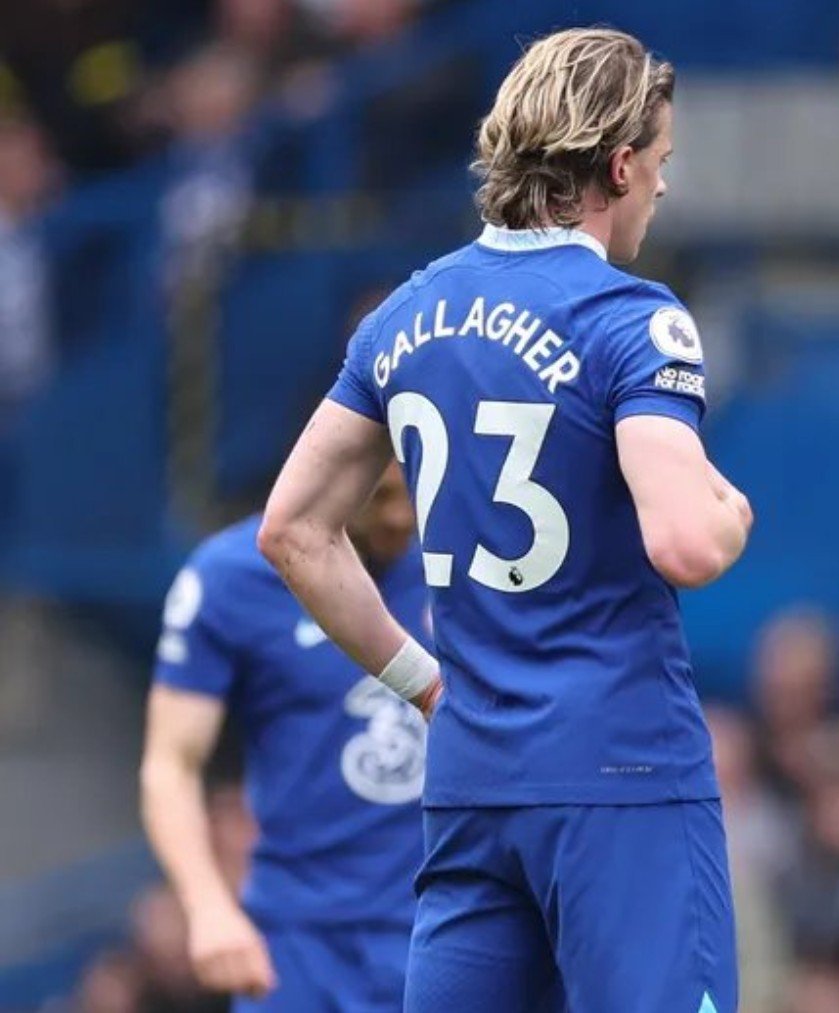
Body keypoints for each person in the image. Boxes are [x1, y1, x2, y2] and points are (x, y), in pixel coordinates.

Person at [256, 27, 753, 1013]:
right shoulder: (631, 318)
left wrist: (426, 684)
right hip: (621, 775)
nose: (661, 188)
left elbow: (292, 529)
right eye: (660, 164)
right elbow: (687, 542)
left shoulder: (405, 313)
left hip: (472, 775)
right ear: (619, 166)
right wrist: (733, 504)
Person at [140, 463, 427, 1010]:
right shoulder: (231, 578)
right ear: (326, 475)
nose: (400, 516)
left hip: (444, 922)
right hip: (297, 940)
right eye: (380, 495)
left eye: (412, 492)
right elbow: (169, 764)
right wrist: (208, 909)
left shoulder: (468, 564)